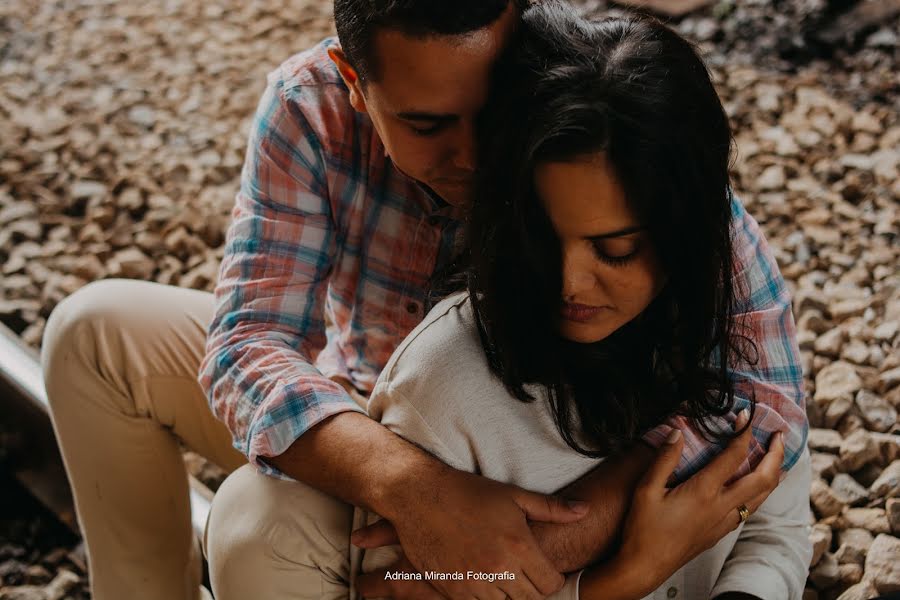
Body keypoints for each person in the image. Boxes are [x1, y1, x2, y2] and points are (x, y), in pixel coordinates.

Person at [39, 2, 807, 599]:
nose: (475, 155)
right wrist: (413, 490)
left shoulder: (582, 97)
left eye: (493, 110)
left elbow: (765, 389)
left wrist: (565, 539)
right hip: (365, 402)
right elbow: (247, 343)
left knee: (258, 523)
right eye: (427, 123)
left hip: (518, 462)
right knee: (93, 335)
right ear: (351, 78)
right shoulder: (310, 107)